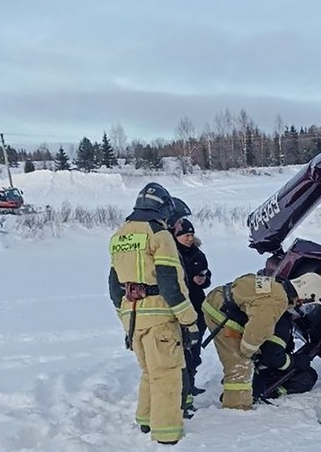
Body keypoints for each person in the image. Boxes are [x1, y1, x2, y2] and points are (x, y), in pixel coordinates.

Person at [108, 182, 201, 445]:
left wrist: (125, 318)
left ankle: (146, 420)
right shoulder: (160, 235)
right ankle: (167, 434)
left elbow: (114, 285)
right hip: (160, 317)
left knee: (149, 371)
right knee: (168, 374)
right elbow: (171, 283)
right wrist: (189, 320)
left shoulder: (119, 236)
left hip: (133, 316)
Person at [201, 272, 321, 410]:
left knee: (245, 359)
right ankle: (236, 409)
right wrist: (249, 353)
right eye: (307, 307)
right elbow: (256, 331)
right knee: (240, 368)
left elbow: (245, 282)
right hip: (221, 316)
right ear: (303, 298)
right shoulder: (277, 302)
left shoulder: (276, 286)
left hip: (216, 299)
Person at [172, 217, 212, 412]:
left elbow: (208, 277)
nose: (189, 238)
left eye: (191, 235)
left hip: (198, 307)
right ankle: (183, 389)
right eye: (186, 235)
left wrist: (203, 280)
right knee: (184, 350)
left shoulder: (198, 254)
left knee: (195, 350)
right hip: (180, 308)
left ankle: (191, 382)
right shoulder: (170, 253)